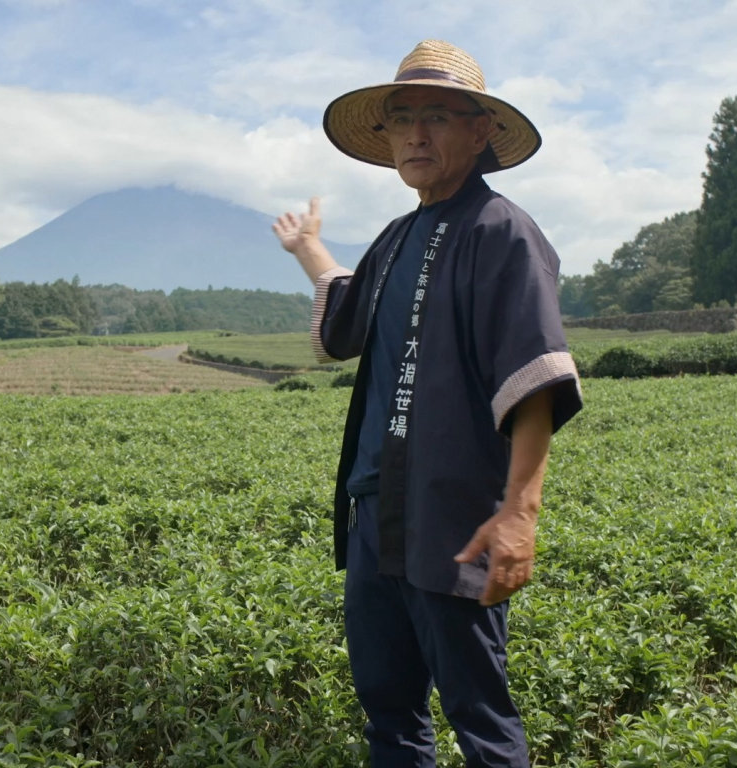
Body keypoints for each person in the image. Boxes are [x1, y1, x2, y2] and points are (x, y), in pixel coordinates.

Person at [272, 40, 583, 766]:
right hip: (378, 514)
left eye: (437, 117)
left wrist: (519, 515)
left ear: (480, 133)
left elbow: (534, 378)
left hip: (457, 517)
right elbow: (349, 319)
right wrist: (308, 249)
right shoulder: (396, 237)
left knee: (479, 714)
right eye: (402, 118)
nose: (416, 134)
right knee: (389, 710)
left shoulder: (501, 232)